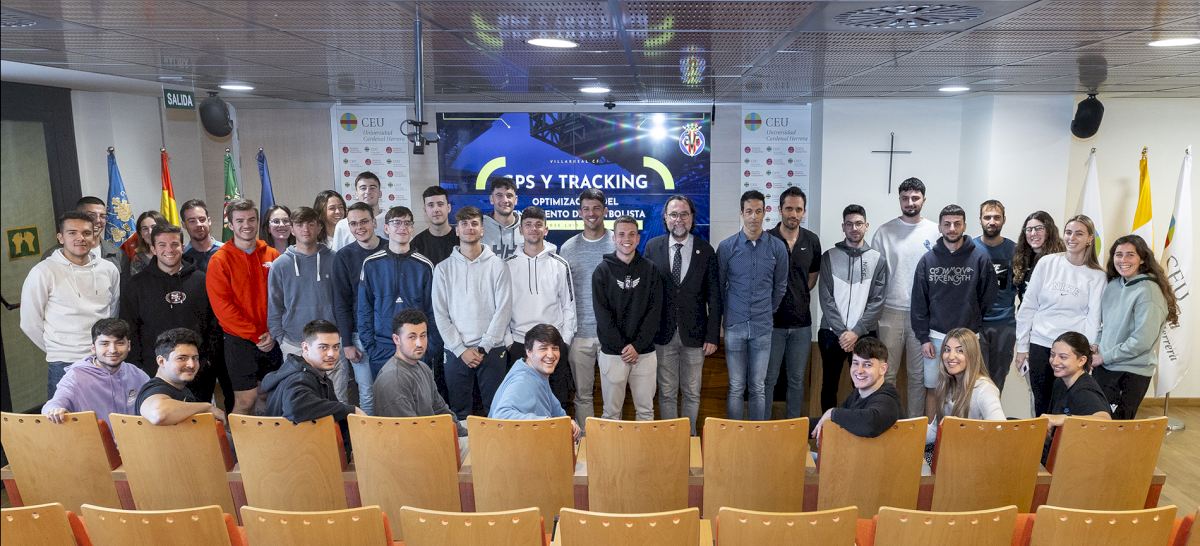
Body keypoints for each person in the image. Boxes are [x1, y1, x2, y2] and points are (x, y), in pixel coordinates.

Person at [21, 211, 121, 397]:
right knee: (66, 414)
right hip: (64, 364)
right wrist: (58, 349)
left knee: (108, 412)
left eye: (86, 233)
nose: (80, 238)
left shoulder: (109, 269)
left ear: (94, 237)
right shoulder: (43, 272)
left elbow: (113, 311)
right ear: (60, 237)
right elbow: (29, 323)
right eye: (72, 233)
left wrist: (104, 347)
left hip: (104, 359)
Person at [1015, 214, 1106, 417]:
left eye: (1079, 233)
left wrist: (1087, 352)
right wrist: (1022, 347)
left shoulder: (1097, 276)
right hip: (1040, 344)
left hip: (1072, 351)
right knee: (1041, 403)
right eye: (1068, 232)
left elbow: (1094, 318)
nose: (1072, 238)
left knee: (1066, 406)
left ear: (1090, 238)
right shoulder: (1047, 263)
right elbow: (1028, 306)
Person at [911, 204, 998, 416]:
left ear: (964, 226)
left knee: (966, 389)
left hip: (968, 338)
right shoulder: (927, 260)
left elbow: (988, 297)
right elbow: (919, 302)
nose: (952, 228)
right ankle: (932, 435)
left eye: (957, 224)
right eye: (947, 224)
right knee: (933, 389)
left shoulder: (980, 258)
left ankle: (960, 432)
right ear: (940, 227)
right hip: (935, 337)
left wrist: (973, 320)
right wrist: (923, 338)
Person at [644, 195, 720, 434]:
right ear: (665, 218)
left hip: (696, 336)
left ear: (692, 218)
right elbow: (646, 294)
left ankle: (689, 438)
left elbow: (715, 297)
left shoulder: (705, 250)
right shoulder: (652, 247)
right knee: (666, 392)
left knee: (692, 392)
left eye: (684, 214)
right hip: (662, 334)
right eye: (674, 214)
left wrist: (712, 335)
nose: (679, 219)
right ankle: (671, 440)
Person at [358, 206, 440, 414]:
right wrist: (371, 347)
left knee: (420, 405)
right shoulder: (371, 264)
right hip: (381, 348)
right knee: (385, 409)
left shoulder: (424, 265)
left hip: (416, 348)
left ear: (412, 229)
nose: (402, 227)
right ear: (386, 228)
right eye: (396, 223)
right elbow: (364, 310)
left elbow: (433, 311)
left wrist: (430, 348)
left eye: (407, 223)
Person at [433, 206, 513, 419]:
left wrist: (484, 346)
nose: (470, 228)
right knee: (460, 413)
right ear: (457, 230)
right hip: (456, 351)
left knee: (496, 411)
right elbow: (441, 314)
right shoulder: (443, 269)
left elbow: (503, 310)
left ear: (482, 230)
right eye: (464, 224)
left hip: (492, 349)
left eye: (474, 223)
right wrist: (461, 350)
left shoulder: (498, 266)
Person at [870, 178, 940, 417]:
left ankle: (915, 428)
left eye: (915, 198)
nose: (910, 203)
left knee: (918, 376)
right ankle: (887, 422)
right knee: (886, 373)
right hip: (890, 312)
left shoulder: (935, 231)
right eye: (905, 198)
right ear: (899, 199)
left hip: (923, 315)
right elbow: (875, 277)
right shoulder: (884, 232)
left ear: (923, 200)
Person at [205, 199, 283, 416]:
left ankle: (265, 437)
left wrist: (273, 332)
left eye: (251, 219)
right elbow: (223, 309)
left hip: (272, 338)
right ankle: (235, 439)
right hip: (240, 341)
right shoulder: (219, 260)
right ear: (230, 224)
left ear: (258, 221)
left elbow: (283, 299)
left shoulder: (273, 256)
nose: (246, 225)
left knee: (269, 395)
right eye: (240, 221)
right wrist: (256, 336)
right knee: (246, 400)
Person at [267, 206, 349, 404]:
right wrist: (281, 338)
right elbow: (274, 306)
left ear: (319, 227)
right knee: (300, 401)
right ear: (292, 229)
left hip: (331, 344)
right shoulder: (280, 265)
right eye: (300, 224)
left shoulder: (334, 259)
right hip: (294, 344)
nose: (306, 229)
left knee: (338, 401)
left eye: (311, 224)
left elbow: (344, 300)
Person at [718, 190, 789, 421]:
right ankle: (734, 436)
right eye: (749, 211)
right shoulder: (727, 247)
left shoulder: (777, 247)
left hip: (762, 326)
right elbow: (719, 287)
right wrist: (727, 317)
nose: (754, 217)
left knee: (758, 386)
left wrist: (768, 310)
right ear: (741, 213)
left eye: (758, 211)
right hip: (735, 325)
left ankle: (757, 435)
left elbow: (780, 286)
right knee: (736, 386)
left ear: (765, 212)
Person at [1092, 235, 1179, 419]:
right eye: (1119, 254)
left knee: (1117, 427)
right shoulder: (1113, 285)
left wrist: (1104, 356)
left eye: (1130, 254)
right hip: (1104, 367)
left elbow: (1142, 341)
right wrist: (1097, 345)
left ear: (1142, 259)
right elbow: (1104, 325)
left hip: (1130, 371)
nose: (1123, 260)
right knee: (1097, 424)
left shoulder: (1149, 291)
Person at [120, 224, 219, 382]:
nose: (169, 250)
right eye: (162, 245)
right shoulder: (136, 285)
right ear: (153, 249)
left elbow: (213, 325)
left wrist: (208, 361)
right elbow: (129, 329)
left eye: (174, 244)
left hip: (196, 371)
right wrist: (137, 367)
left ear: (183, 247)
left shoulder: (202, 280)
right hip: (152, 371)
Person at [817, 204, 888, 412]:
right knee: (829, 385)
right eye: (849, 224)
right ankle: (827, 428)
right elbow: (826, 298)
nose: (854, 228)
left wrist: (855, 332)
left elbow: (878, 301)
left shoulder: (878, 259)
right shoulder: (829, 256)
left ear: (866, 226)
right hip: (832, 334)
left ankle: (860, 426)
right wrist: (843, 333)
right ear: (843, 227)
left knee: (865, 385)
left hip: (864, 334)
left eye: (858, 223)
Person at [505, 206, 576, 413]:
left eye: (538, 225)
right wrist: (509, 342)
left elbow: (569, 305)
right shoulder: (507, 265)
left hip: (553, 345)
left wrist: (564, 341)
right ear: (520, 230)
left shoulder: (560, 264)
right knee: (523, 405)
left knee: (558, 403)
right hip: (519, 344)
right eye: (528, 224)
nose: (533, 229)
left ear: (546, 230)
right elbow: (501, 307)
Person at [592, 216, 662, 421]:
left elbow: (654, 311)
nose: (627, 239)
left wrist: (637, 346)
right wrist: (623, 348)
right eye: (621, 234)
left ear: (638, 239)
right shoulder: (602, 271)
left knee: (646, 412)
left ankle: (644, 447)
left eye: (632, 234)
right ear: (614, 238)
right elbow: (602, 315)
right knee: (611, 414)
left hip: (644, 353)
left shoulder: (650, 270)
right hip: (613, 354)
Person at [765, 186, 822, 419]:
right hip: (771, 325)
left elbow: (811, 278)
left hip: (801, 325)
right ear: (780, 210)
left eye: (798, 209)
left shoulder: (812, 240)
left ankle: (794, 428)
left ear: (804, 212)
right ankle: (763, 428)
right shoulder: (767, 239)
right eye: (789, 208)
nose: (794, 214)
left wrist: (796, 296)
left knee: (797, 380)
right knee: (768, 379)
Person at [559, 189, 615, 429]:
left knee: (613, 397)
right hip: (579, 334)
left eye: (596, 208)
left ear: (605, 211)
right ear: (580, 212)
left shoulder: (618, 242)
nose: (591, 213)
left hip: (611, 335)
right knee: (582, 396)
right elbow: (563, 293)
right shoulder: (568, 248)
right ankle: (585, 443)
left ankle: (611, 442)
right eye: (586, 209)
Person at [261, 320, 363, 438]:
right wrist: (350, 410)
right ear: (305, 347)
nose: (331, 354)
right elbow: (295, 407)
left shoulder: (313, 373)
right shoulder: (299, 378)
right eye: (323, 347)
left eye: (335, 347)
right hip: (291, 446)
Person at [372, 309, 464, 436]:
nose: (419, 343)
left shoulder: (423, 368)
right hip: (413, 444)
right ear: (396, 339)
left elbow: (440, 409)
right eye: (412, 337)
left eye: (423, 335)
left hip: (430, 436)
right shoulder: (393, 379)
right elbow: (409, 432)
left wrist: (463, 434)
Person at [42, 318, 149, 425]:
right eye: (105, 344)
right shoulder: (76, 375)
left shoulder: (137, 374)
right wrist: (54, 410)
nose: (113, 350)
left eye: (120, 343)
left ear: (129, 345)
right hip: (91, 435)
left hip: (132, 435)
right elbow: (55, 402)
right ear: (93, 348)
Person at [333, 202, 388, 412]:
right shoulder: (343, 257)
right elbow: (341, 303)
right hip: (358, 335)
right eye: (353, 224)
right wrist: (347, 342)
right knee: (367, 392)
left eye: (364, 221)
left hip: (388, 334)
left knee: (392, 389)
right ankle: (370, 433)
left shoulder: (390, 249)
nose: (359, 227)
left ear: (374, 223)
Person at [490, 324, 583, 439]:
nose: (551, 355)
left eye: (555, 348)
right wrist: (547, 423)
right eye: (543, 348)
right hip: (513, 446)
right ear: (528, 351)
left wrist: (567, 422)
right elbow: (500, 416)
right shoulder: (522, 380)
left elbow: (556, 412)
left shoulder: (536, 373)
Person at [924, 328, 1005, 447]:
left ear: (972, 355)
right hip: (953, 451)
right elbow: (934, 431)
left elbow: (1000, 430)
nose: (951, 356)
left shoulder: (984, 389)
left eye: (960, 351)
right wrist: (906, 433)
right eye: (947, 350)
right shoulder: (947, 384)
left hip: (974, 454)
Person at [811, 337, 902, 439]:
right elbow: (834, 421)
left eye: (867, 365)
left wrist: (833, 413)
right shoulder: (857, 394)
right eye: (855, 363)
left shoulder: (888, 399)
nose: (859, 370)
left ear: (883, 369)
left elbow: (870, 425)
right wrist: (799, 426)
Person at [1041, 331, 1111, 462]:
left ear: (1081, 360)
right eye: (1052, 355)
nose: (1054, 361)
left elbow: (1105, 421)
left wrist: (1063, 418)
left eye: (1063, 357)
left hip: (1079, 460)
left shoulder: (1084, 391)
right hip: (1060, 452)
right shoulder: (1060, 382)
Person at [137, 328, 227, 425]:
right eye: (182, 358)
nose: (191, 365)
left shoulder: (183, 390)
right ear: (161, 361)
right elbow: (158, 414)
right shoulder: (154, 389)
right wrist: (207, 407)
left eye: (195, 358)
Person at [976, 200, 1018, 392]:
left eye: (996, 217)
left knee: (996, 381)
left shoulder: (1015, 250)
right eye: (987, 217)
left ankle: (992, 413)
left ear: (1003, 220)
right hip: (976, 325)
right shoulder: (970, 247)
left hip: (1004, 325)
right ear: (980, 220)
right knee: (976, 381)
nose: (992, 222)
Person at [41, 196, 122, 270]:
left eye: (102, 216)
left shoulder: (117, 253)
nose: (98, 220)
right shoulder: (52, 255)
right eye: (91, 215)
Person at [1012, 211, 1065, 303]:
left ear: (1049, 231)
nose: (1033, 233)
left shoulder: (1061, 260)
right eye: (1029, 229)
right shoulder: (1021, 258)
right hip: (1025, 311)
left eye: (1039, 228)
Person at [331, 171, 387, 251]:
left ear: (380, 193)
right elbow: (337, 254)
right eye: (363, 188)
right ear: (356, 194)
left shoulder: (392, 221)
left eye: (372, 188)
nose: (368, 192)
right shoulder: (342, 225)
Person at [411, 186, 459, 265]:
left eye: (440, 204)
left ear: (449, 208)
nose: (436, 209)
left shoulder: (462, 239)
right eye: (431, 205)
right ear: (425, 210)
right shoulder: (416, 244)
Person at [120, 210, 166, 282]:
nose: (150, 232)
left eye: (154, 227)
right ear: (141, 234)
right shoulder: (138, 260)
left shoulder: (177, 254)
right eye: (145, 229)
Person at [482, 177, 521, 259]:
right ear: (491, 199)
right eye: (499, 195)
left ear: (516, 200)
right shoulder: (479, 226)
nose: (505, 200)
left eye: (509, 196)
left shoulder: (527, 227)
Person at [180, 199, 223, 271]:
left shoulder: (227, 251)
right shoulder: (182, 258)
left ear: (209, 221)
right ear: (184, 225)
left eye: (202, 219)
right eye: (192, 221)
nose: (198, 224)